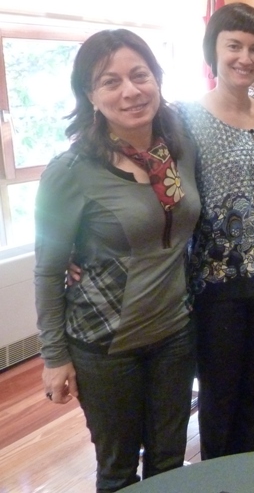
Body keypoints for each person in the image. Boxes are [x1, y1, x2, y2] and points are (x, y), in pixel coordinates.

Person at [34, 29, 201, 492]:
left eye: (139, 75)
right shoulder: (70, 172)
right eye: (110, 82)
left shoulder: (178, 146)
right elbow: (48, 270)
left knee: (170, 460)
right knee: (118, 470)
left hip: (174, 334)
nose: (130, 90)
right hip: (105, 346)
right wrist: (54, 357)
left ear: (157, 78)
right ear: (90, 95)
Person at [178, 2, 254, 459]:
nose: (244, 57)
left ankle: (249, 475)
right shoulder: (184, 117)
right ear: (213, 49)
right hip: (219, 281)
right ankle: (219, 480)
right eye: (234, 45)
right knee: (220, 393)